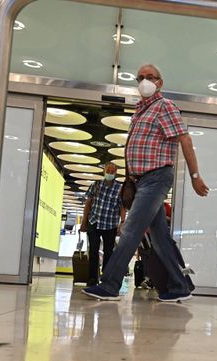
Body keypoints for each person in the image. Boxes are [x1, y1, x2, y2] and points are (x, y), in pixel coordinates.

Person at [82, 63, 208, 302]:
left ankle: (109, 285)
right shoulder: (140, 111)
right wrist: (129, 179)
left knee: (131, 230)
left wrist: (195, 176)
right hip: (141, 181)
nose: (145, 81)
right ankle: (181, 285)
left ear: (160, 82)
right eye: (140, 77)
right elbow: (134, 147)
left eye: (150, 77)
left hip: (156, 177)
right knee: (160, 237)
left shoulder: (164, 106)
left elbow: (185, 139)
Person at [79, 161, 125, 288]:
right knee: (93, 252)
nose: (110, 173)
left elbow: (122, 207)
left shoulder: (120, 188)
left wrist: (122, 223)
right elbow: (88, 203)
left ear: (116, 173)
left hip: (110, 224)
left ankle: (106, 278)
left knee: (108, 252)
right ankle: (92, 280)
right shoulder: (96, 185)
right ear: (104, 171)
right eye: (108, 171)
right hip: (94, 221)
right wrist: (84, 222)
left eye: (112, 172)